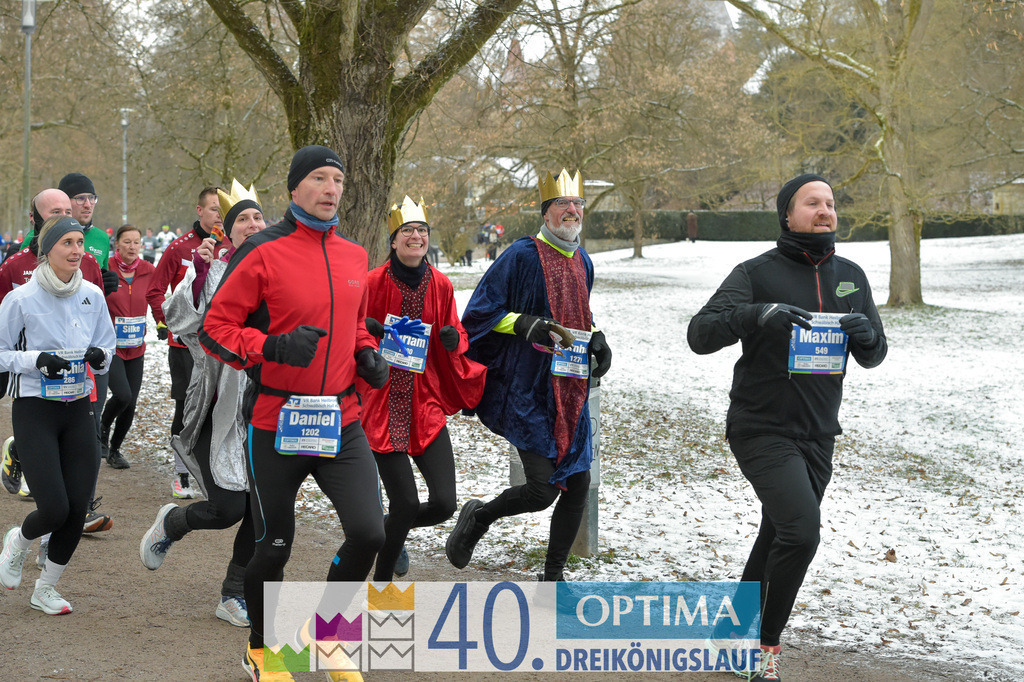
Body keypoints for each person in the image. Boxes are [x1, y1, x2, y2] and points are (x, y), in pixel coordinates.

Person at [687, 174, 887, 682]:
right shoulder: (756, 272)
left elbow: (875, 354)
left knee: (776, 534)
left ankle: (727, 635)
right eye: (812, 203)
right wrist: (759, 314)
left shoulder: (851, 275)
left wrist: (865, 337)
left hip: (819, 433)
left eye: (831, 203)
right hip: (760, 427)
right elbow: (700, 333)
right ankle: (765, 650)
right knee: (800, 532)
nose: (825, 211)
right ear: (787, 214)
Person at [199, 145, 388, 680]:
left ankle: (327, 637)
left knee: (369, 533)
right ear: (294, 189)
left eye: (339, 181)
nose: (332, 189)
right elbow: (215, 328)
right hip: (275, 424)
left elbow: (351, 323)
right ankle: (262, 649)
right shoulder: (261, 251)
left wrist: (365, 355)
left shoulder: (354, 255)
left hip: (340, 420)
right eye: (320, 179)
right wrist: (272, 348)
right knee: (274, 545)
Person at [447, 169, 612, 582]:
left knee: (578, 482)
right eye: (562, 204)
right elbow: (480, 315)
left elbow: (578, 317)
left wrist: (596, 338)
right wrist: (523, 324)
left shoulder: (584, 261)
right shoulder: (521, 255)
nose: (572, 210)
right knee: (541, 491)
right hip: (526, 389)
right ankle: (479, 517)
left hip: (570, 389)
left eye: (577, 204)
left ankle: (553, 579)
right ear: (546, 212)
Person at [140, 180, 267, 629]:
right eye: (241, 219)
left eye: (258, 217)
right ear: (227, 231)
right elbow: (179, 319)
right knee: (229, 508)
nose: (252, 224)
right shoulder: (210, 267)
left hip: (271, 406)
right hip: (218, 404)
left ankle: (233, 595)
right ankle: (174, 523)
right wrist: (196, 274)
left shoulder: (283, 268)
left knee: (264, 510)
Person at [360, 196, 486, 582]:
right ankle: (382, 584)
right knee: (406, 501)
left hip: (423, 402)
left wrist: (453, 340)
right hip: (381, 406)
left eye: (422, 231)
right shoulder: (373, 282)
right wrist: (370, 333)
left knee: (445, 503)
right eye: (407, 231)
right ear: (394, 241)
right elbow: (353, 326)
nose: (416, 236)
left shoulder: (442, 284)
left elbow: (457, 331)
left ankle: (381, 531)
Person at [0, 216, 115, 615]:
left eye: (80, 242)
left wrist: (101, 358)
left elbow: (106, 346)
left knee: (77, 508)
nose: (77, 250)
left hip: (78, 409)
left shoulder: (92, 296)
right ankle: (18, 540)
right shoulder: (20, 299)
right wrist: (36, 360)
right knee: (54, 507)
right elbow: (0, 354)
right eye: (67, 242)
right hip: (35, 411)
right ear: (46, 250)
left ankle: (45, 588)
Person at [147, 188, 223, 499]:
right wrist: (166, 325)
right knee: (185, 405)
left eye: (223, 209)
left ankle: (213, 469)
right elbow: (155, 291)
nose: (219, 214)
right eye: (215, 208)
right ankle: (181, 473)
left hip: (221, 347)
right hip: (185, 348)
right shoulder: (178, 248)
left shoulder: (233, 246)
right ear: (200, 210)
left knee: (217, 407)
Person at [100, 225, 160, 469]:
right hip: (111, 346)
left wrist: (162, 322)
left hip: (136, 346)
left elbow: (156, 298)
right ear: (117, 245)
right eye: (127, 242)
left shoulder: (148, 271)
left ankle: (115, 450)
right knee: (122, 394)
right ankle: (102, 428)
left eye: (137, 242)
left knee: (131, 402)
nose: (133, 246)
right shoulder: (107, 269)